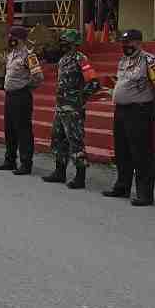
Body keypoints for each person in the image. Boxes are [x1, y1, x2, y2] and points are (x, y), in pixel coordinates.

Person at [102, 29, 155, 205]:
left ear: (139, 43)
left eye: (129, 42)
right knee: (122, 150)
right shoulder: (124, 60)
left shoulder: (149, 60)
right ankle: (122, 186)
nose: (126, 46)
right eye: (124, 43)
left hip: (140, 111)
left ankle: (144, 194)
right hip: (122, 111)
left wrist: (154, 106)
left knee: (141, 153)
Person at [42, 29, 99, 189]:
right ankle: (59, 172)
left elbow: (94, 83)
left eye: (66, 42)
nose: (63, 44)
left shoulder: (81, 59)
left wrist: (80, 98)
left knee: (75, 142)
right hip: (60, 107)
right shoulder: (62, 60)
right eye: (62, 42)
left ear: (74, 44)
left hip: (73, 109)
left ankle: (80, 176)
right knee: (57, 139)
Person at [0, 25, 44, 175]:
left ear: (20, 39)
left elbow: (38, 77)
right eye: (9, 37)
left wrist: (25, 87)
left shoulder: (29, 56)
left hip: (21, 96)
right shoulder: (11, 55)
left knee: (23, 130)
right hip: (10, 96)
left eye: (13, 37)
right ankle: (9, 160)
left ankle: (25, 163)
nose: (10, 40)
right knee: (9, 129)